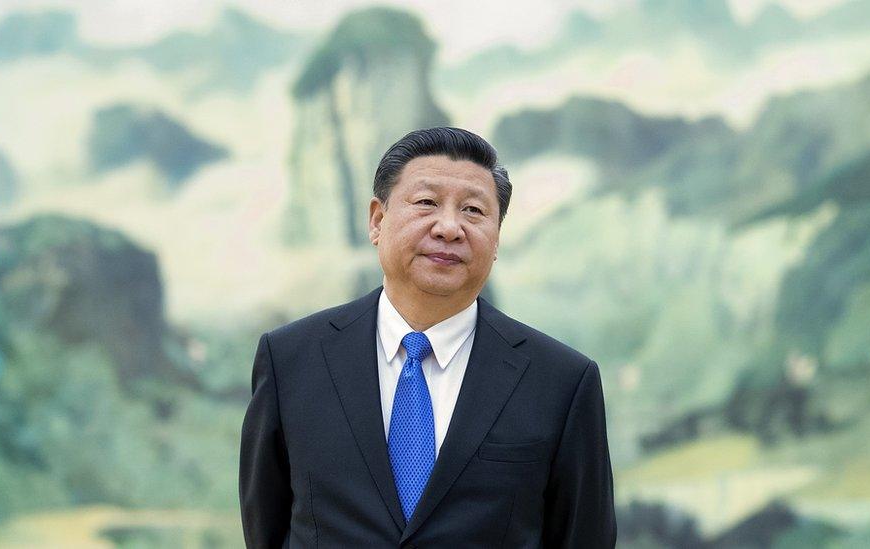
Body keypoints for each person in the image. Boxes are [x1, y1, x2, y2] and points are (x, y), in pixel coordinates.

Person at [239, 127, 616, 548]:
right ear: (377, 220)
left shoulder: (560, 381)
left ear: (496, 239)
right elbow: (265, 530)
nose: (449, 227)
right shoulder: (291, 359)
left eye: (473, 211)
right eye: (426, 203)